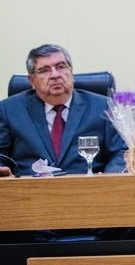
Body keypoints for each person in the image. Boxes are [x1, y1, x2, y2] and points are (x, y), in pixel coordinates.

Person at [0, 44, 127, 177]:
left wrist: (110, 178)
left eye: (61, 67)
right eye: (44, 70)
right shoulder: (8, 110)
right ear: (32, 80)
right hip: (29, 193)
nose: (55, 75)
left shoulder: (103, 106)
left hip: (88, 191)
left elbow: (121, 152)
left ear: (71, 71)